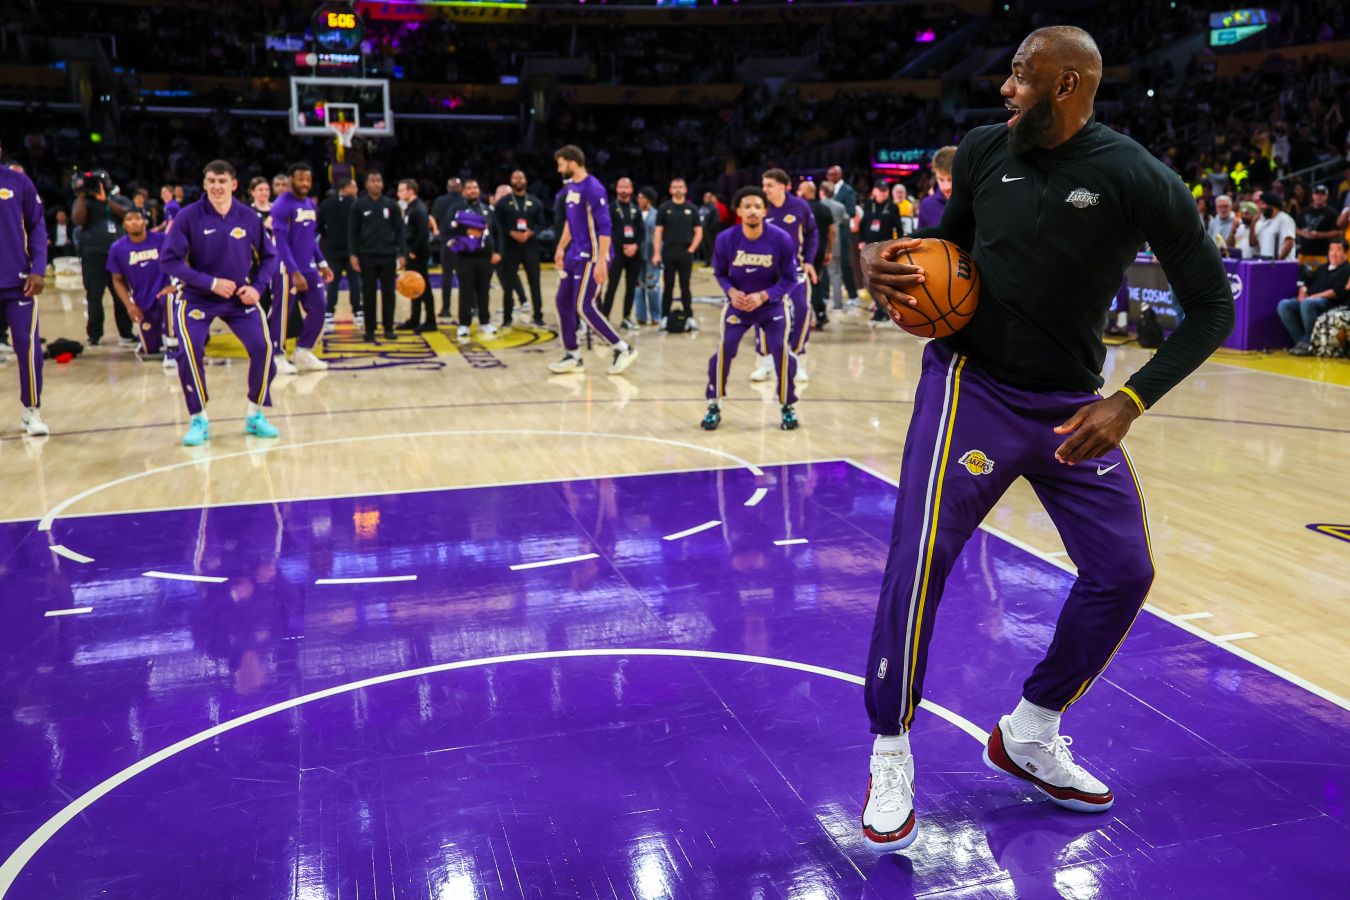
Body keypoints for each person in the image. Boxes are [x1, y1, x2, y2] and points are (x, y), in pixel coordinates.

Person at [858, 26, 1234, 853]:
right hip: (972, 387)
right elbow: (946, 252)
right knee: (919, 557)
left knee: (1124, 571)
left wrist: (1129, 401)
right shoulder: (984, 150)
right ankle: (890, 750)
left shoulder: (1138, 176)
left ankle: (1030, 729)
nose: (1006, 88)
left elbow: (1213, 306)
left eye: (1022, 76)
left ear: (1068, 85)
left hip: (1072, 406)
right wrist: (879, 263)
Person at [160, 159, 283, 447]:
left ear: (234, 185)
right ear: (205, 184)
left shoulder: (248, 217)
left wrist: (257, 288)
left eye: (222, 181)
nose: (217, 186)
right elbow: (169, 261)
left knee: (264, 347)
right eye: (212, 181)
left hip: (238, 298)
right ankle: (198, 418)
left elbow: (270, 257)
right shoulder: (189, 216)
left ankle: (255, 413)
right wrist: (210, 283)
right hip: (197, 297)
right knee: (189, 350)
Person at [701, 187, 800, 432]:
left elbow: (790, 279)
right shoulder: (726, 239)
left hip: (771, 305)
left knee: (780, 350)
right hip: (739, 305)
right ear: (739, 211)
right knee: (724, 349)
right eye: (747, 206)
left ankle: (787, 404)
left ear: (765, 211)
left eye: (757, 206)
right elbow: (720, 273)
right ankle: (714, 403)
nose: (753, 211)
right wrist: (731, 292)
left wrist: (764, 295)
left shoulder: (780, 239)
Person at [547, 145, 638, 375]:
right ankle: (573, 355)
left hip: (593, 255)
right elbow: (570, 222)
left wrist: (601, 262)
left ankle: (623, 348)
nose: (559, 170)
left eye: (561, 165)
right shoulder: (571, 187)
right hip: (574, 254)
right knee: (562, 301)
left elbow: (605, 228)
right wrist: (560, 248)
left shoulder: (593, 188)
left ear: (572, 163)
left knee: (583, 306)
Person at [752, 169, 818, 383]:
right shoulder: (760, 207)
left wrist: (809, 260)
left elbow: (813, 233)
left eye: (769, 185)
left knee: (802, 309)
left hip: (795, 270)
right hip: (765, 271)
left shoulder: (800, 206)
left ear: (782, 186)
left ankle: (796, 358)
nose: (765, 189)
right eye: (763, 185)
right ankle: (766, 361)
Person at [0, 142, 48, 435]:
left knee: (27, 346)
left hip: (19, 282)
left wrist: (39, 268)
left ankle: (32, 410)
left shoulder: (18, 181)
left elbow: (37, 225)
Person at [271, 162, 336, 371]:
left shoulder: (309, 204)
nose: (305, 183)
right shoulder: (281, 205)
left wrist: (322, 262)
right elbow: (281, 243)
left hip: (309, 267)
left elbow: (310, 238)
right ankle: (276, 356)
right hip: (286, 268)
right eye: (301, 179)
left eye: (308, 179)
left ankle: (303, 351)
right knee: (283, 313)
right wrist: (294, 272)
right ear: (291, 180)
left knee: (319, 307)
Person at [72, 169, 132, 347]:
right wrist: (82, 196)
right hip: (93, 254)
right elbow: (78, 220)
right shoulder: (83, 202)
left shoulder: (118, 200)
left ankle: (126, 333)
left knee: (121, 294)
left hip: (117, 254)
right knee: (94, 295)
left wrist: (105, 200)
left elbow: (126, 215)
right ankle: (94, 334)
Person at [107, 207, 175, 364]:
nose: (134, 222)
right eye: (129, 219)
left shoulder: (162, 240)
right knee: (150, 349)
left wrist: (176, 284)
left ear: (145, 222)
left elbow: (183, 259)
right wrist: (129, 305)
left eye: (137, 218)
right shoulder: (117, 248)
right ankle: (153, 338)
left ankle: (174, 346)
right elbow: (117, 279)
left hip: (165, 297)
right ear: (124, 225)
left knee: (170, 300)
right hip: (142, 303)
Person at [348, 171, 406, 343]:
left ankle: (388, 328)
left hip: (388, 255)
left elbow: (400, 230)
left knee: (389, 293)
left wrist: (402, 253)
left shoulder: (391, 204)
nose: (376, 183)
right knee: (368, 294)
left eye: (378, 180)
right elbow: (352, 231)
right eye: (372, 181)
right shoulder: (359, 204)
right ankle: (370, 329)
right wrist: (353, 254)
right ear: (366, 184)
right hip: (366, 255)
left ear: (382, 184)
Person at [445, 179, 500, 343]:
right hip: (464, 258)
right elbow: (446, 230)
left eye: (475, 187)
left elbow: (497, 232)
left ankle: (485, 321)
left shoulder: (487, 210)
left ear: (479, 190)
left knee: (484, 290)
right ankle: (464, 324)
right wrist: (466, 231)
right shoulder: (456, 209)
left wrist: (498, 252)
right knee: (465, 291)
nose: (472, 190)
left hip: (485, 257)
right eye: (468, 188)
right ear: (463, 191)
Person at [1278, 237, 1350, 355]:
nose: (1334, 253)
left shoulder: (1347, 269)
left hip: (1329, 303)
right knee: (1284, 305)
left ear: (1345, 253)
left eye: (1338, 250)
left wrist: (1313, 297)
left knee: (1308, 304)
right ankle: (1301, 341)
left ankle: (1309, 342)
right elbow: (1306, 284)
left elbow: (1335, 292)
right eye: (1331, 250)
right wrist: (1302, 292)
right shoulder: (1322, 268)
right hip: (1310, 299)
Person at [495, 170, 547, 327]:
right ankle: (507, 318)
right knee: (508, 284)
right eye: (515, 178)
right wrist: (511, 232)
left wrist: (531, 232)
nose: (518, 180)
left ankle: (538, 316)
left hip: (530, 247)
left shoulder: (535, 202)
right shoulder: (503, 203)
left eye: (521, 177)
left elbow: (541, 223)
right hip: (510, 247)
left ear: (526, 180)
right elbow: (497, 224)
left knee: (535, 282)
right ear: (511, 181)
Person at [653, 177, 703, 330]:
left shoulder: (692, 209)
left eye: (680, 187)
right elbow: (658, 232)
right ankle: (664, 317)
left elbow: (698, 232)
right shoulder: (664, 208)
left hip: (685, 252)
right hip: (668, 251)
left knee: (685, 286)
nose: (678, 189)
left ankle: (689, 317)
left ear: (685, 190)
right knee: (668, 286)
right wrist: (656, 253)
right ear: (670, 190)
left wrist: (691, 249)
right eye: (675, 187)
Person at [602, 176, 645, 331]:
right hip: (616, 252)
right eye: (621, 187)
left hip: (634, 253)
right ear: (616, 189)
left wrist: (635, 245)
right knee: (612, 285)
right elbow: (608, 230)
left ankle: (626, 317)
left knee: (631, 286)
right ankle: (604, 316)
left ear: (632, 190)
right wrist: (622, 246)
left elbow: (642, 231)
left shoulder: (636, 209)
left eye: (627, 187)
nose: (624, 190)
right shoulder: (610, 208)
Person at [857, 180, 900, 327]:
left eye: (885, 190)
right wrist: (861, 240)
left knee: (881, 281)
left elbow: (899, 228)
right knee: (868, 281)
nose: (883, 193)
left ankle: (883, 312)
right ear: (874, 191)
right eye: (880, 190)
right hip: (869, 249)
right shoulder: (869, 205)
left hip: (884, 250)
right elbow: (863, 224)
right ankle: (880, 308)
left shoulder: (892, 207)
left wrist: (898, 246)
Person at [317, 178, 360, 321]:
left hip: (332, 249)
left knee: (332, 281)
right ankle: (358, 311)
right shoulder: (356, 203)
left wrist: (328, 236)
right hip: (352, 250)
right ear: (346, 187)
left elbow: (319, 226)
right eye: (354, 186)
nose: (356, 190)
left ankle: (329, 311)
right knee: (354, 281)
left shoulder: (326, 203)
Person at [396, 178, 436, 333]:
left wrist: (413, 251)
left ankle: (430, 321)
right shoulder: (411, 208)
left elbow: (423, 233)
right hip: (412, 252)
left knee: (422, 286)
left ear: (411, 191)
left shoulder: (418, 208)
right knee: (414, 286)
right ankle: (414, 318)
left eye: (401, 190)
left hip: (417, 254)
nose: (398, 193)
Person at [797, 181, 834, 328]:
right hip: (820, 249)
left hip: (804, 251)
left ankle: (813, 315)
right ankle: (820, 313)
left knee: (805, 283)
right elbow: (832, 231)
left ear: (806, 191)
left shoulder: (799, 208)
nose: (797, 192)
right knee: (815, 279)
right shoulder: (824, 208)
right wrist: (829, 251)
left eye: (800, 189)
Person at [431, 177, 464, 318]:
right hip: (463, 241)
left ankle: (445, 309)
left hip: (447, 241)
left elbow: (432, 217)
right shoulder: (465, 201)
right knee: (466, 276)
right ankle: (472, 307)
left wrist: (435, 229)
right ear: (461, 188)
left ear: (448, 188)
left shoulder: (440, 200)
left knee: (447, 276)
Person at [826, 165, 859, 300]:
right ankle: (826, 294)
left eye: (832, 174)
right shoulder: (827, 189)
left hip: (842, 232)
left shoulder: (848, 190)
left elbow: (851, 212)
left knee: (845, 264)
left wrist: (834, 214)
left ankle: (853, 296)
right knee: (826, 262)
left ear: (840, 175)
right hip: (828, 231)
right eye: (828, 174)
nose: (829, 177)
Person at [818, 182, 849, 316]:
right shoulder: (840, 206)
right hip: (835, 243)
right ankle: (837, 304)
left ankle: (818, 302)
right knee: (836, 274)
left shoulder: (818, 205)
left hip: (819, 243)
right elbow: (846, 220)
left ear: (822, 192)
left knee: (817, 274)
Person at [1295, 184, 1341, 272]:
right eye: (1317, 194)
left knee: (1320, 276)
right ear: (1312, 195)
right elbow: (1295, 228)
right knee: (1301, 276)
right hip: (1304, 252)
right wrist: (1303, 233)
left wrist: (1319, 234)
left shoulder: (1332, 213)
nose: (1319, 197)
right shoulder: (1305, 210)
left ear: (1326, 196)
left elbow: (1338, 232)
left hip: (1322, 253)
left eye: (1322, 194)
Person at [635, 186, 662, 326]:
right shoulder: (634, 213)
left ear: (649, 199)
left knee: (652, 286)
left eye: (643, 197)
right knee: (638, 286)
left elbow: (660, 236)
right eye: (638, 197)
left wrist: (659, 253)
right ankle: (641, 316)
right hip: (637, 255)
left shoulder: (657, 215)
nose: (639, 200)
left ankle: (656, 316)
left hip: (652, 255)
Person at [918, 146, 956, 231]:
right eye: (941, 179)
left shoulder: (976, 202)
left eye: (950, 179)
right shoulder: (926, 206)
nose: (946, 187)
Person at [1251, 191, 1296, 260]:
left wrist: (1278, 261)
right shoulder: (1263, 221)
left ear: (1272, 205)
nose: (1259, 207)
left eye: (1262, 204)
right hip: (1265, 260)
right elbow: (1253, 243)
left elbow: (1289, 243)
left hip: (1282, 263)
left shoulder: (1284, 219)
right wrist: (1253, 224)